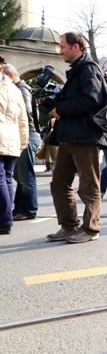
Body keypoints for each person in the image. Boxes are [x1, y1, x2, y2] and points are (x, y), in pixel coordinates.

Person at [47, 32, 107, 244]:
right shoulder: (77, 70)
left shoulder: (89, 68)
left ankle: (91, 228)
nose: (60, 51)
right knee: (58, 183)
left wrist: (61, 109)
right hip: (69, 135)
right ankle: (69, 226)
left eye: (63, 46)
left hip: (85, 136)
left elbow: (92, 100)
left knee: (89, 185)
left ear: (76, 47)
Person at [3, 64, 41, 220]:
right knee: (20, 175)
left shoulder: (21, 88)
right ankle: (20, 209)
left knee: (25, 175)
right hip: (26, 134)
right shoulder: (20, 87)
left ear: (11, 75)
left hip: (28, 133)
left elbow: (26, 110)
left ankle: (29, 210)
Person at [0, 66, 29, 234]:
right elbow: (23, 118)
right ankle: (6, 218)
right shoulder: (14, 89)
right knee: (8, 179)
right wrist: (23, 141)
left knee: (2, 180)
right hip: (12, 139)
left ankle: (4, 220)